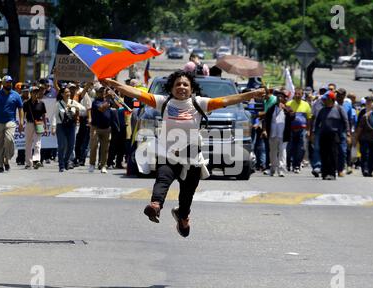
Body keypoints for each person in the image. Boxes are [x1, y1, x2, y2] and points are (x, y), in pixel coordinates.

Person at [102, 70, 266, 237]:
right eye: (177, 84)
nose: (181, 87)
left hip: (192, 158)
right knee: (163, 178)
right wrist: (113, 83)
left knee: (187, 195)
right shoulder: (163, 102)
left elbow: (226, 100)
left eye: (185, 84)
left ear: (191, 88)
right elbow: (136, 92)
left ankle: (183, 216)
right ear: (171, 88)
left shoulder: (199, 103)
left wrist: (252, 94)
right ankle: (155, 205)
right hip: (168, 154)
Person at [0, 75, 24, 173]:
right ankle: (1, 165)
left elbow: (20, 109)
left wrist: (21, 122)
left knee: (9, 139)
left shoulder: (16, 95)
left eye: (10, 82)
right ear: (3, 83)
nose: (9, 84)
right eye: (7, 82)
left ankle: (7, 158)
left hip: (10, 122)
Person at [313, 91, 349, 180]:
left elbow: (345, 121)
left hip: (334, 135)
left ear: (331, 99)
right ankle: (325, 173)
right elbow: (317, 123)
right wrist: (314, 133)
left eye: (326, 99)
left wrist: (346, 133)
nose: (324, 101)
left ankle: (332, 173)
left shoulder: (339, 109)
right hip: (323, 135)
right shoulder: (322, 110)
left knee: (333, 154)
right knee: (324, 154)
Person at [262, 89, 295, 177]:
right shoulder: (271, 108)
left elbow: (293, 117)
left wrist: (285, 109)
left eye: (281, 97)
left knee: (282, 151)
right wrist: (264, 130)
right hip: (273, 133)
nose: (279, 98)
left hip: (283, 134)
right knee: (272, 152)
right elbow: (265, 119)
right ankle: (273, 169)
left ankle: (281, 170)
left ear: (285, 99)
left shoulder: (288, 108)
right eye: (278, 97)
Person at [51, 87, 80, 172]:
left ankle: (66, 160)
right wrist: (53, 127)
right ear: (62, 94)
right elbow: (54, 116)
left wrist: (76, 107)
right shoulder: (58, 104)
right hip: (61, 126)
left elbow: (83, 109)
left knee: (71, 146)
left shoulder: (73, 102)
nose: (68, 93)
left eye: (69, 92)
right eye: (66, 92)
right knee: (62, 146)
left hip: (71, 126)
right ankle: (61, 165)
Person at [286, 87, 312, 173]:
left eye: (299, 94)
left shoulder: (306, 105)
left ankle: (297, 165)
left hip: (302, 130)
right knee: (290, 148)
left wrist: (308, 130)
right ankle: (288, 164)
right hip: (291, 130)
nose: (297, 95)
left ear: (302, 95)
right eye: (296, 94)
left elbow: (309, 119)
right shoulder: (289, 104)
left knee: (302, 148)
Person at [88, 86, 113, 174]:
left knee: (105, 148)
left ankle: (103, 165)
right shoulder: (95, 102)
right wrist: (108, 99)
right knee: (94, 146)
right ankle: (92, 164)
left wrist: (113, 97)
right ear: (97, 93)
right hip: (96, 127)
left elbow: (118, 107)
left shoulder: (108, 100)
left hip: (106, 128)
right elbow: (102, 108)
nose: (102, 93)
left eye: (103, 91)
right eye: (100, 91)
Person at [23, 86, 47, 169]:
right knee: (28, 144)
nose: (36, 93)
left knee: (37, 143)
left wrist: (46, 126)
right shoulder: (26, 103)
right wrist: (22, 124)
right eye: (34, 92)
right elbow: (23, 115)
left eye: (37, 92)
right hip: (29, 123)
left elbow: (44, 115)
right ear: (30, 93)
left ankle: (36, 160)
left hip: (39, 124)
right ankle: (28, 163)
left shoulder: (41, 103)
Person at [309, 86, 329, 177]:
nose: (323, 94)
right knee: (317, 148)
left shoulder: (333, 104)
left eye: (325, 92)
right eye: (322, 91)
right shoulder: (316, 103)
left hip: (329, 130)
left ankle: (326, 167)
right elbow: (312, 117)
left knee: (328, 149)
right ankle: (317, 166)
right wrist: (311, 131)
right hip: (318, 129)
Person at [335, 88, 354, 176]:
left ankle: (340, 169)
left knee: (343, 151)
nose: (338, 96)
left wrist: (349, 133)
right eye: (337, 94)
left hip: (343, 131)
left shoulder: (348, 105)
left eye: (340, 95)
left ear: (344, 96)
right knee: (333, 151)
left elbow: (349, 120)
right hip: (333, 130)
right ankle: (333, 167)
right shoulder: (333, 104)